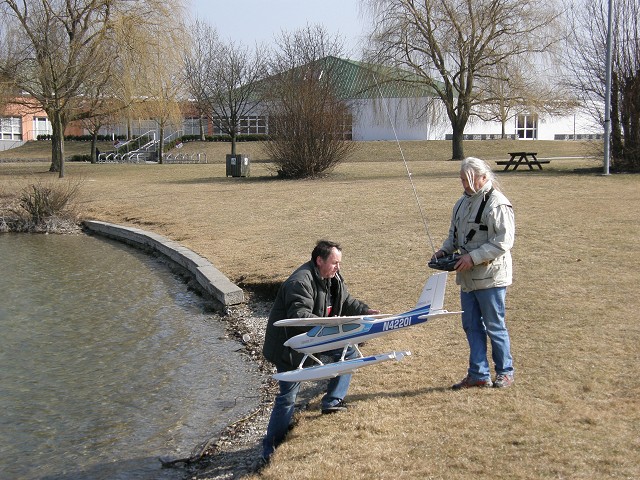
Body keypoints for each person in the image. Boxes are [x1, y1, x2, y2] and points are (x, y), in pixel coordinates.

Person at [261, 240, 379, 462]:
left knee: (349, 352)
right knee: (288, 396)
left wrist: (364, 310)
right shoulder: (299, 282)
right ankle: (270, 447)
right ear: (319, 260)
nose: (338, 267)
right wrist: (331, 326)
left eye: (339, 263)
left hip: (317, 337)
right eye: (335, 263)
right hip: (290, 346)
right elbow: (298, 318)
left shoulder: (332, 278)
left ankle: (333, 401)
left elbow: (346, 300)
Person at [432, 157, 515, 390]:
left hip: (491, 277)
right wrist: (443, 251)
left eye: (468, 180)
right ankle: (478, 373)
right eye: (462, 180)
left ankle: (505, 372)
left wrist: (472, 257)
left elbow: (503, 242)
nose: (465, 185)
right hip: (468, 278)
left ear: (483, 177)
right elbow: (454, 234)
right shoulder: (461, 203)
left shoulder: (497, 204)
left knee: (494, 325)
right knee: (470, 325)